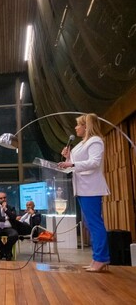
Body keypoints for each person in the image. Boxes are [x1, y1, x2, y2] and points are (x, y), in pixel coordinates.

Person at [58, 113, 110, 272]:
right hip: (81, 188)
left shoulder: (95, 141)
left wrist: (71, 162)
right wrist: (68, 157)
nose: (75, 128)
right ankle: (96, 258)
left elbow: (93, 163)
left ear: (86, 126)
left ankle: (101, 258)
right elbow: (75, 165)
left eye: (78, 125)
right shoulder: (82, 144)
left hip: (91, 188)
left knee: (94, 223)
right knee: (88, 223)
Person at [0, 192, 18, 261]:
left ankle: (3, 251)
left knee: (14, 235)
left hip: (9, 228)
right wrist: (4, 218)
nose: (3, 199)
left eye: (4, 198)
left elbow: (13, 217)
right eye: (1, 198)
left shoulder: (11, 207)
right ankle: (7, 252)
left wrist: (5, 209)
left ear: (6, 198)